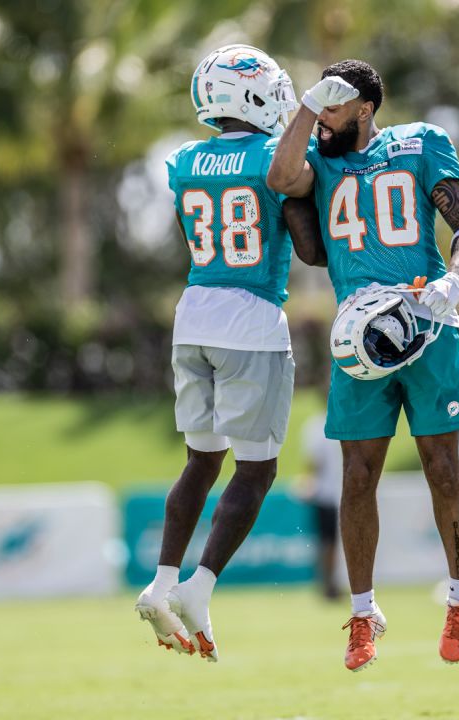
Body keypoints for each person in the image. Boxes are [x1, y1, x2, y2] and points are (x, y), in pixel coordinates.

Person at [268, 58, 459, 671]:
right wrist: (311, 104)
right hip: (355, 335)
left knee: (443, 467)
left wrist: (453, 278)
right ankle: (362, 614)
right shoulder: (317, 155)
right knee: (357, 475)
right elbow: (283, 176)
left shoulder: (420, 143)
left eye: (336, 104)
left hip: (426, 321)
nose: (323, 117)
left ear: (365, 108)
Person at [134, 44, 309, 663]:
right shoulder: (274, 156)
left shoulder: (183, 161)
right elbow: (307, 237)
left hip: (194, 314)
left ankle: (159, 580)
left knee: (200, 460)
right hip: (252, 317)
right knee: (256, 469)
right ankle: (199, 586)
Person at [300, 413, 344, 600]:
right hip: (330, 492)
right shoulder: (319, 426)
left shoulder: (316, 426)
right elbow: (315, 462)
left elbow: (313, 461)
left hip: (328, 492)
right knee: (329, 542)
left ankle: (329, 582)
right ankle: (329, 583)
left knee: (327, 541)